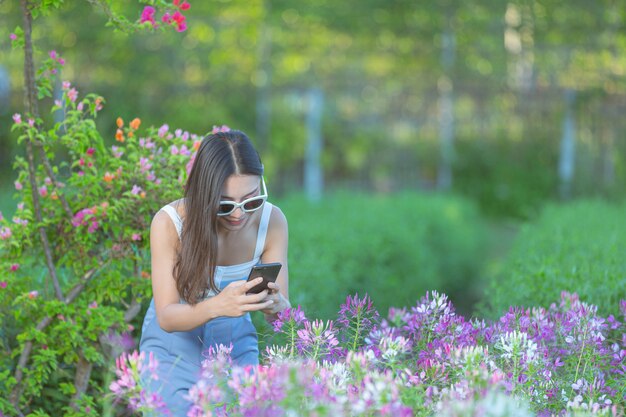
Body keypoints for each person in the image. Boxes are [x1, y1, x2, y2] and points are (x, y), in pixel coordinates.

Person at [139, 129, 290, 415]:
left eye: (252, 200)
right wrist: (218, 305)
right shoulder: (169, 223)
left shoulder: (273, 221)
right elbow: (167, 316)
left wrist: (277, 306)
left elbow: (279, 316)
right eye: (225, 204)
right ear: (203, 193)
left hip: (234, 345)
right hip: (173, 348)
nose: (239, 214)